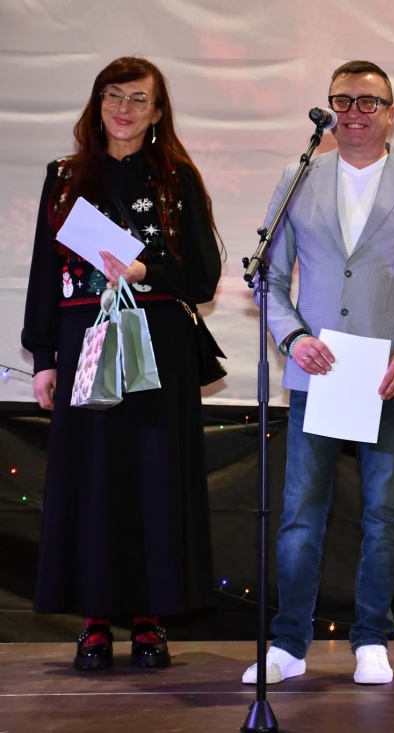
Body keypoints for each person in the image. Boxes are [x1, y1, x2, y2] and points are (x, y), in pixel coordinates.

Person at [242, 60, 394, 686]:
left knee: (384, 514)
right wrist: (292, 337)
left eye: (369, 102)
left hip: (390, 375)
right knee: (300, 514)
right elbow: (268, 275)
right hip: (319, 372)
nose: (354, 113)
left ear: (392, 112)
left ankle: (371, 639)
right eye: (343, 100)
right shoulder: (299, 175)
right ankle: (288, 644)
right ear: (329, 108)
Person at [21, 56, 222, 670]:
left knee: (154, 479)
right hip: (85, 341)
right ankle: (93, 621)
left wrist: (143, 270)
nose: (124, 109)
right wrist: (44, 358)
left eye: (138, 99)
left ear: (158, 112)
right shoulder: (63, 178)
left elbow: (203, 277)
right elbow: (44, 274)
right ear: (97, 103)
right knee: (92, 480)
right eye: (113, 95)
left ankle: (148, 619)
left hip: (158, 347)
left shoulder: (177, 180)